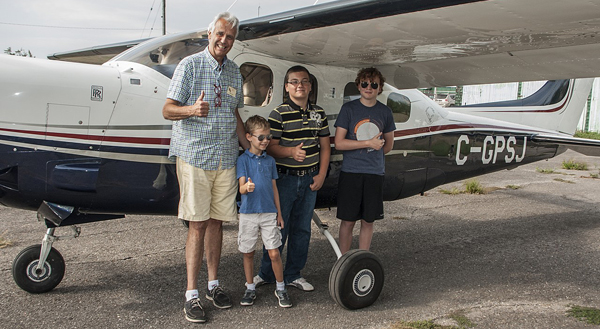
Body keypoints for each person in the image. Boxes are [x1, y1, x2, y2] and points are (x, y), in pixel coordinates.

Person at [162, 12, 250, 323]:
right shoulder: (189, 65)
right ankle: (191, 294)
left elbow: (234, 113)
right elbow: (167, 109)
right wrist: (190, 109)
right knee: (197, 224)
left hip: (225, 158)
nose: (224, 41)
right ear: (210, 33)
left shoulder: (234, 72)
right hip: (195, 156)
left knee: (217, 223)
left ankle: (213, 285)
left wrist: (248, 146)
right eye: (221, 34)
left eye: (230, 37)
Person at [254, 65, 331, 291]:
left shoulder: (319, 113)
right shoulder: (278, 114)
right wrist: (290, 152)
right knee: (278, 227)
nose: (300, 85)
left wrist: (322, 174)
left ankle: (293, 274)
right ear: (287, 87)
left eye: (304, 81)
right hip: (285, 180)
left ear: (310, 86)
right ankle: (267, 273)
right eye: (294, 82)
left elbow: (325, 147)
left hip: (309, 181)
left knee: (302, 229)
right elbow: (270, 147)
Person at [334, 67, 395, 254]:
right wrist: (367, 143)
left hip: (374, 173)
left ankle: (362, 258)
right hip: (351, 172)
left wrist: (373, 156)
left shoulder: (385, 112)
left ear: (380, 88)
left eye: (374, 84)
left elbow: (388, 145)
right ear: (359, 86)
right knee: (348, 220)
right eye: (365, 83)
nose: (369, 87)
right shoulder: (348, 109)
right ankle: (343, 261)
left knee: (368, 220)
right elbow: (339, 143)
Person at [237, 115, 292, 308]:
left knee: (274, 253)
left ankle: (281, 287)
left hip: (269, 213)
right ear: (249, 137)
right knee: (248, 252)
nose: (265, 141)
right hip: (248, 212)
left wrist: (279, 213)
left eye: (268, 137)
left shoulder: (270, 161)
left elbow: (274, 187)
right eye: (261, 137)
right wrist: (246, 188)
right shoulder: (243, 160)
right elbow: (241, 188)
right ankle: (250, 287)